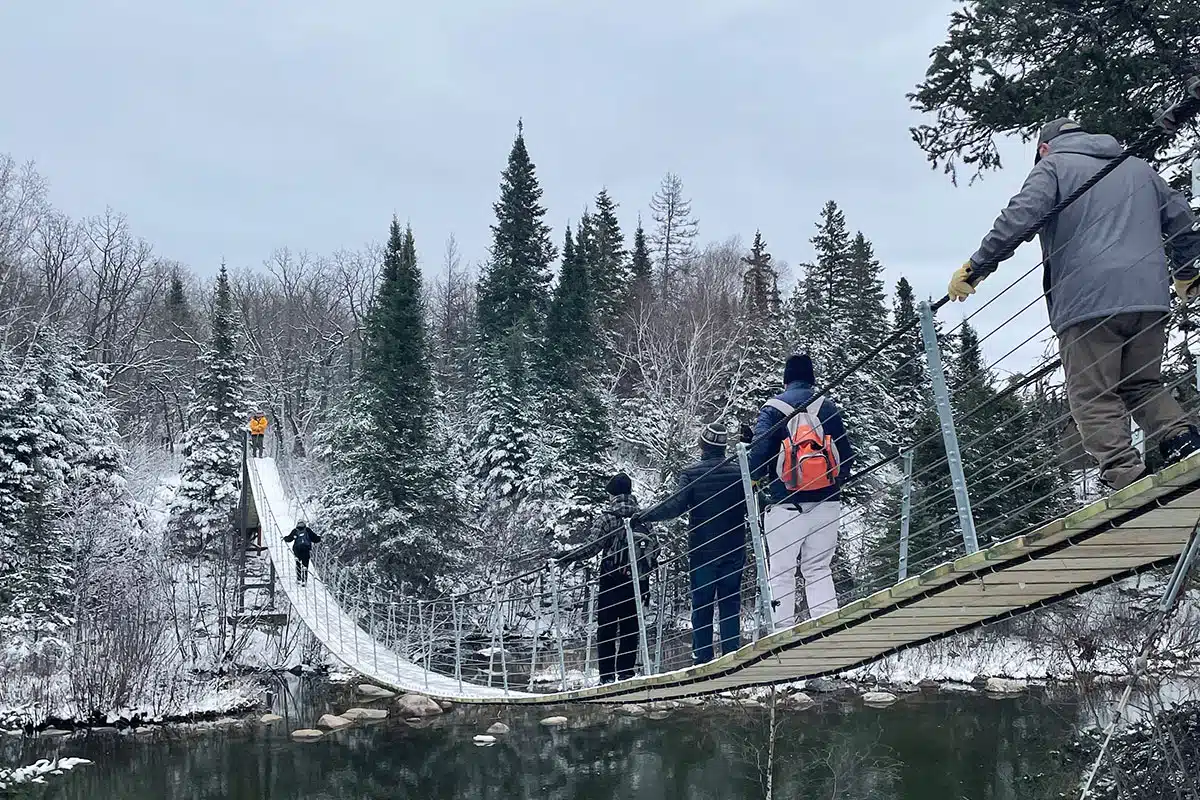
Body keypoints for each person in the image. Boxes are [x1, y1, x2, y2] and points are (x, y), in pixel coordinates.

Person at [949, 118, 1200, 490]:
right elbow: (1182, 218)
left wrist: (977, 267)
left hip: (1088, 300)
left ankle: (1125, 476)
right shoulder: (1136, 165)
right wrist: (1186, 271)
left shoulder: (1052, 167)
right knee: (1141, 383)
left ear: (1044, 148)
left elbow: (1019, 218)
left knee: (1092, 393)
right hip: (1149, 296)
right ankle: (1184, 442)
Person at [750, 353, 853, 629]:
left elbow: (758, 454)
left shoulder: (772, 409)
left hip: (785, 505)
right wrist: (834, 482)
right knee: (818, 569)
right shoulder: (828, 407)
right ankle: (828, 631)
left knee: (781, 573)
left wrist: (754, 480)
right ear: (812, 379)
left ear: (785, 380)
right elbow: (847, 455)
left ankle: (782, 635)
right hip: (827, 504)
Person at [636, 422, 747, 664]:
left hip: (702, 551)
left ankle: (703, 659)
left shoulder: (691, 473)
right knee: (730, 603)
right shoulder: (740, 472)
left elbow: (674, 506)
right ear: (723, 447)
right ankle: (732, 657)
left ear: (702, 445)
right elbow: (755, 503)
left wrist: (644, 514)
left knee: (702, 605)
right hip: (734, 549)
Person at [558, 472, 657, 684]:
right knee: (631, 629)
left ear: (612, 495)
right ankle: (626, 674)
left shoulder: (607, 518)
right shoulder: (645, 518)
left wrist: (566, 557)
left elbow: (591, 548)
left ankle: (606, 678)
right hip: (638, 582)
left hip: (611, 581)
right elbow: (654, 549)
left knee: (607, 630)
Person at [283, 518, 322, 586]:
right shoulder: (307, 530)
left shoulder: (295, 531)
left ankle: (298, 579)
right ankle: (304, 581)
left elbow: (289, 539)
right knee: (305, 565)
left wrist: (284, 538)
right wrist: (319, 538)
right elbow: (315, 539)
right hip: (306, 550)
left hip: (297, 550)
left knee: (298, 564)